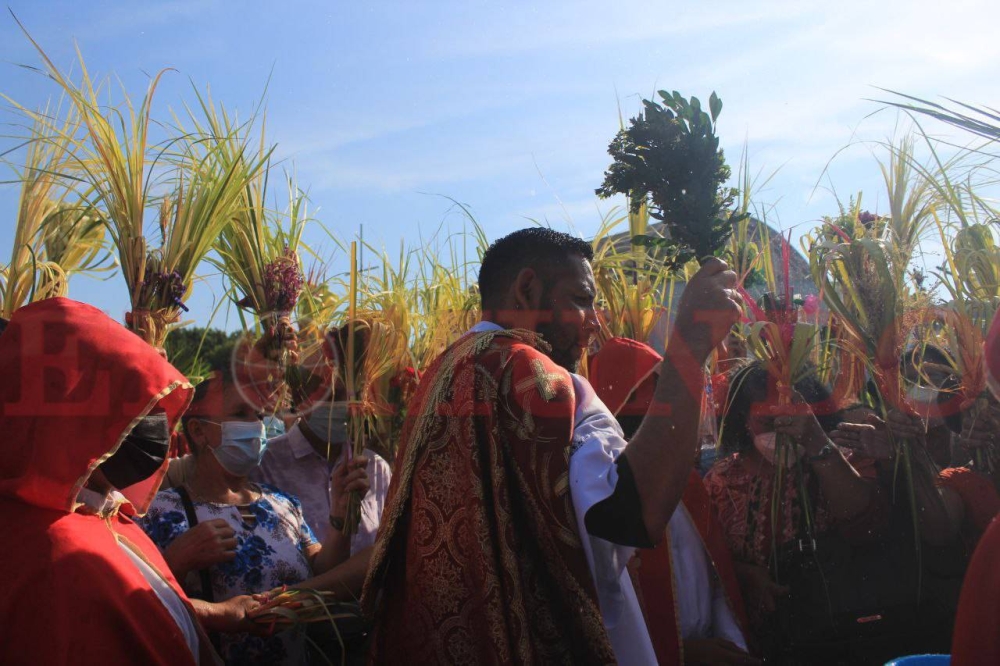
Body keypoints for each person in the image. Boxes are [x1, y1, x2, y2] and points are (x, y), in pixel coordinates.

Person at [362, 228, 741, 664]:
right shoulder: (537, 375)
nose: (596, 322)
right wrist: (690, 348)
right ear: (527, 290)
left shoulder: (440, 375)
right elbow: (628, 518)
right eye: (581, 299)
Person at [0, 297, 255, 665]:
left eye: (154, 405)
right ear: (70, 416)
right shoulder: (52, 556)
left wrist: (214, 616)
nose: (153, 422)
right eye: (132, 401)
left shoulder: (105, 515)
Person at [139, 369, 352, 665]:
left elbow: (324, 570)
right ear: (199, 431)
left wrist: (341, 517)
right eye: (241, 413)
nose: (256, 426)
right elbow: (138, 603)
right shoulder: (159, 512)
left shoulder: (283, 503)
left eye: (259, 415)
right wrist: (177, 560)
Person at [588, 336, 754, 666]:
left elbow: (716, 576)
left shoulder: (688, 482)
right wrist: (681, 654)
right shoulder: (599, 497)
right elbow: (607, 611)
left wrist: (731, 643)